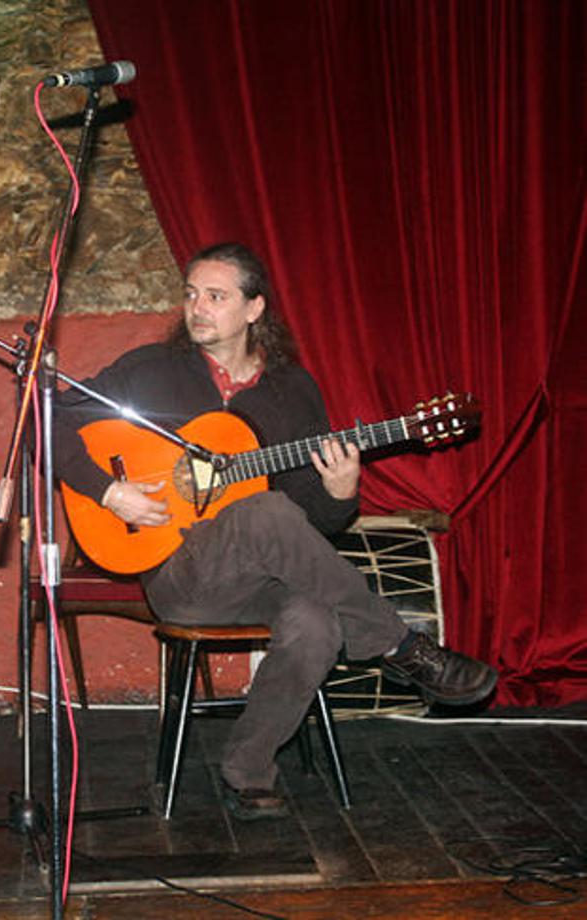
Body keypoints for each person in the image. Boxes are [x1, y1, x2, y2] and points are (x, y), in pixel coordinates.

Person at [54, 242, 498, 820]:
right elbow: (50, 419)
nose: (197, 307)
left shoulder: (293, 391)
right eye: (191, 294)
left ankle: (248, 771)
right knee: (262, 513)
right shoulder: (150, 370)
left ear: (254, 308)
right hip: (176, 574)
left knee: (314, 622)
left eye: (216, 296)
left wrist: (341, 492)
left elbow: (315, 524)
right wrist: (109, 491)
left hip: (254, 580)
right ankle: (402, 646)